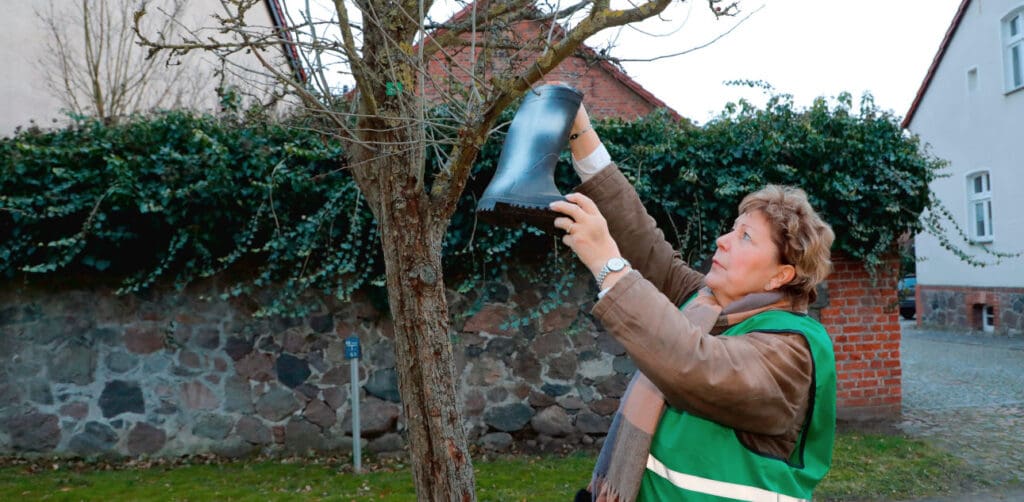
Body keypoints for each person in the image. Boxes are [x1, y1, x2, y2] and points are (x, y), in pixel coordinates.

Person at [549, 103, 837, 502]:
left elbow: (697, 364)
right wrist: (580, 132)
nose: (723, 239)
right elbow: (646, 246)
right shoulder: (708, 306)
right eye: (733, 229)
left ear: (780, 276)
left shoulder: (790, 354)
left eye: (746, 238)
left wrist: (607, 264)